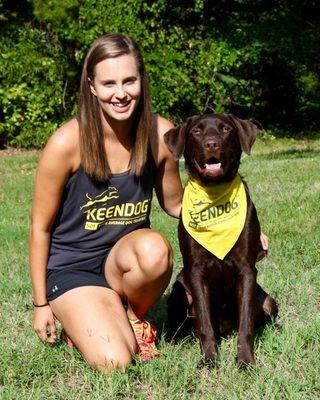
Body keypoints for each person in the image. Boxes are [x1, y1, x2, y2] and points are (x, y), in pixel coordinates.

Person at [30, 33, 269, 373]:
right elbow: (40, 228)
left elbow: (177, 204)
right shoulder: (67, 142)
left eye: (129, 80)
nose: (121, 93)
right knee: (114, 361)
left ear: (141, 80)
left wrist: (240, 225)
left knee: (156, 250)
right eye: (109, 83)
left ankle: (128, 315)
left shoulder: (159, 135)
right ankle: (84, 314)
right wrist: (40, 303)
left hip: (123, 262)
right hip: (73, 269)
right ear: (92, 86)